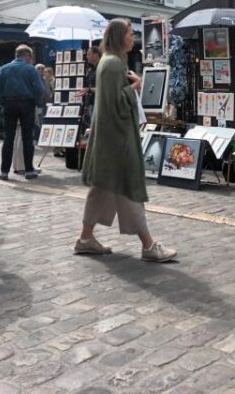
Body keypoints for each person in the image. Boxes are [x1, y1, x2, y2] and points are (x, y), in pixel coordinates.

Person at [76, 18, 177, 262]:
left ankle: (86, 239)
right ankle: (148, 245)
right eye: (131, 33)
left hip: (110, 140)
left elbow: (108, 100)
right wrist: (136, 87)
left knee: (103, 190)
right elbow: (116, 103)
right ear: (120, 36)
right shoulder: (112, 64)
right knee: (130, 189)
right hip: (117, 140)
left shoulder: (110, 62)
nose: (134, 38)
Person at [0, 44, 46, 180]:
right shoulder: (30, 69)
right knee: (27, 137)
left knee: (8, 137)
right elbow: (39, 89)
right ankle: (29, 170)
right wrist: (35, 102)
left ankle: (4, 172)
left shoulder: (4, 69)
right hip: (26, 104)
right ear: (27, 56)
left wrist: (2, 101)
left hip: (9, 104)